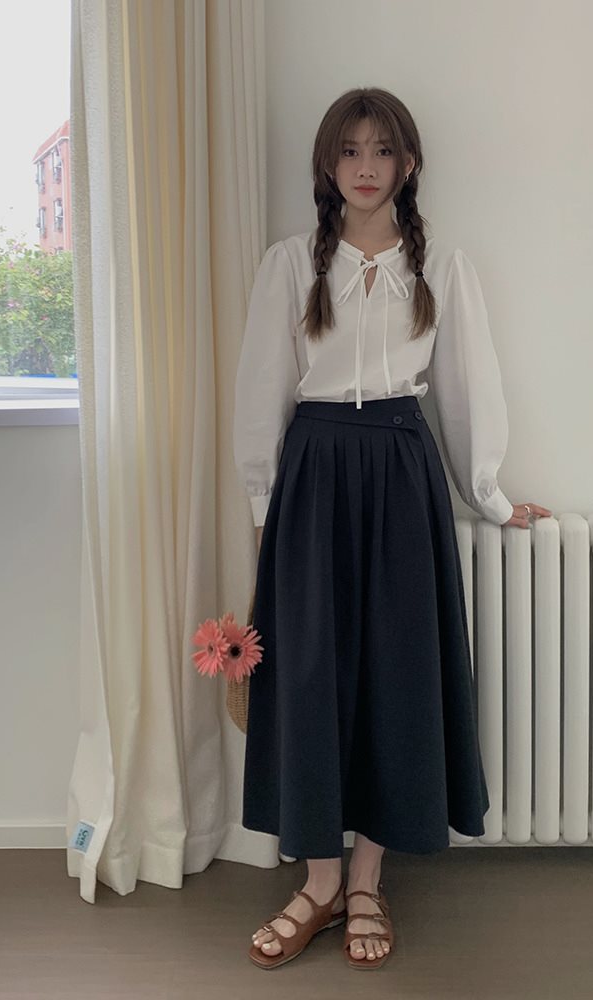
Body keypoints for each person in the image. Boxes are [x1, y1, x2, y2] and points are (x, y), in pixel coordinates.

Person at [233, 86, 551, 971]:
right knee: (311, 677)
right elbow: (261, 393)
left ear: (409, 163)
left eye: (383, 150)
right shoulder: (289, 264)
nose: (366, 167)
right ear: (326, 165)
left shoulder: (440, 264)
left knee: (395, 672)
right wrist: (265, 515)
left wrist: (489, 495)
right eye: (350, 150)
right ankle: (319, 883)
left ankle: (368, 881)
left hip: (404, 474)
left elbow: (467, 387)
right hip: (313, 477)